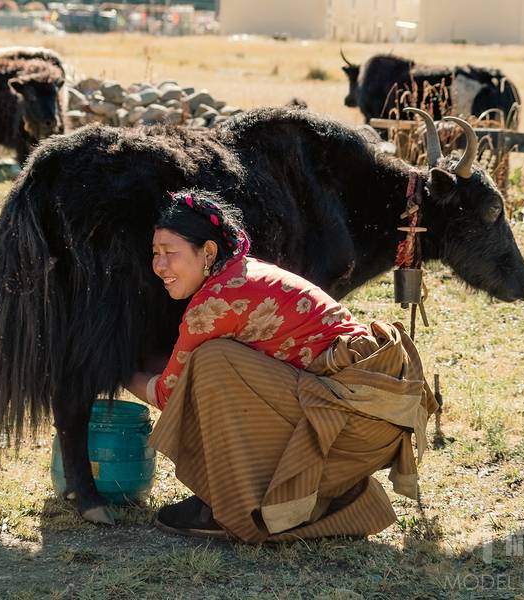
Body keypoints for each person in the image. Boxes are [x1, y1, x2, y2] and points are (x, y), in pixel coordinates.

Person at [127, 189, 437, 543]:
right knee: (216, 363)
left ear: (208, 251)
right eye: (155, 254)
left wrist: (117, 369)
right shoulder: (243, 273)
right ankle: (331, 496)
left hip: (357, 422)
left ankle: (234, 508)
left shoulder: (215, 303)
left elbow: (168, 393)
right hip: (372, 418)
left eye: (170, 253)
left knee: (213, 364)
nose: (159, 266)